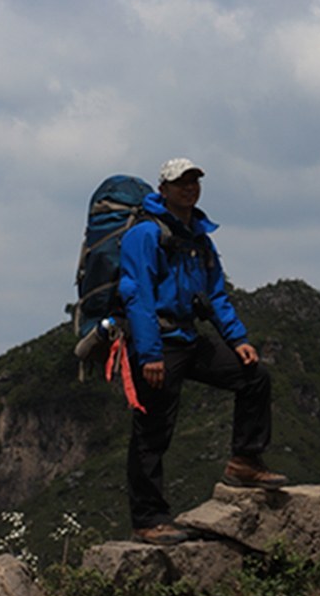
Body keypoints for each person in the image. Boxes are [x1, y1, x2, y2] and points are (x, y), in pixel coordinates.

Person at [118, 157, 288, 545]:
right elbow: (137, 295)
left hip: (188, 338)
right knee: (152, 433)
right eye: (181, 183)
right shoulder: (145, 235)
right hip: (157, 342)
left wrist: (238, 339)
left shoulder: (199, 239)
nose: (189, 188)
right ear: (163, 189)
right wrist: (148, 354)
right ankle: (148, 520)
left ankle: (244, 461)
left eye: (194, 182)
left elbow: (215, 295)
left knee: (254, 376)